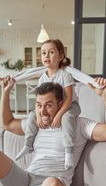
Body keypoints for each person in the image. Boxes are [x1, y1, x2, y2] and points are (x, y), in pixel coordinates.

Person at [15, 39, 81, 170]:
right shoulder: (42, 78)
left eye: (51, 52)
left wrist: (59, 116)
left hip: (70, 106)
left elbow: (68, 99)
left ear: (61, 56)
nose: (47, 56)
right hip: (52, 107)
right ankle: (28, 145)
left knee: (67, 117)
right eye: (44, 53)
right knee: (32, 115)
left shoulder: (65, 75)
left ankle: (68, 152)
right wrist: (38, 116)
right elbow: (39, 101)